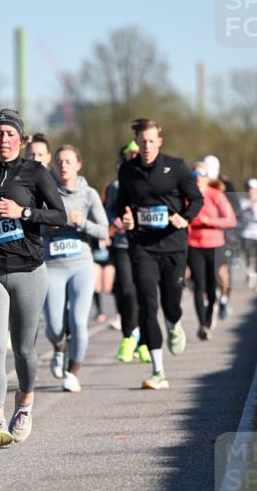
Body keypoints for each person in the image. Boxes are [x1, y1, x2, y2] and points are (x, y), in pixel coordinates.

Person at [0, 109, 67, 446]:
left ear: (21, 139)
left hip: (29, 270)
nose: (3, 139)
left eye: (9, 133)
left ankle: (24, 405)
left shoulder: (36, 173)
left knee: (23, 349)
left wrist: (22, 212)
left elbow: (59, 216)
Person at [115, 118, 203, 390]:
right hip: (142, 246)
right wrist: (125, 218)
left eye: (152, 141)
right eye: (143, 142)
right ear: (137, 143)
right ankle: (158, 371)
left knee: (171, 304)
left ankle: (174, 323)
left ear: (159, 141)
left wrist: (185, 218)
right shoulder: (128, 170)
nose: (147, 146)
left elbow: (197, 198)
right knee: (147, 304)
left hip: (174, 245)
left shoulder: (176, 167)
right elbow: (121, 205)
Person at [42, 145, 109, 392]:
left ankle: (72, 372)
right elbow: (36, 225)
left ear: (78, 164)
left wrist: (82, 223)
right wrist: (52, 223)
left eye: (69, 161)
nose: (63, 165)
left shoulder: (89, 194)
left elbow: (104, 230)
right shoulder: (46, 192)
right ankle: (59, 348)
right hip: (53, 265)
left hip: (81, 264)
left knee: (78, 322)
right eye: (59, 161)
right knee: (54, 327)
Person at [104, 142, 150, 363]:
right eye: (129, 154)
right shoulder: (115, 185)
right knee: (125, 291)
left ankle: (142, 340)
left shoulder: (150, 180)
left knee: (143, 292)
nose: (133, 156)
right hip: (122, 244)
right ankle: (128, 337)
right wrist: (114, 219)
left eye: (136, 153)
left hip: (145, 244)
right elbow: (109, 208)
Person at [187, 162, 237, 339]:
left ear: (208, 178)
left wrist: (210, 221)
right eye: (194, 175)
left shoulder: (216, 195)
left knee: (211, 284)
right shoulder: (187, 196)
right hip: (193, 245)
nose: (198, 178)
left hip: (214, 244)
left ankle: (209, 317)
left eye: (202, 174)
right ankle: (202, 324)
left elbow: (230, 220)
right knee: (198, 285)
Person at [202, 155, 241, 320]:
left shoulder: (226, 184)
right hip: (202, 234)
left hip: (223, 234)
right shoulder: (199, 181)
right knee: (203, 272)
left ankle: (224, 300)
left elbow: (235, 209)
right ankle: (207, 304)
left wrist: (218, 218)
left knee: (222, 270)